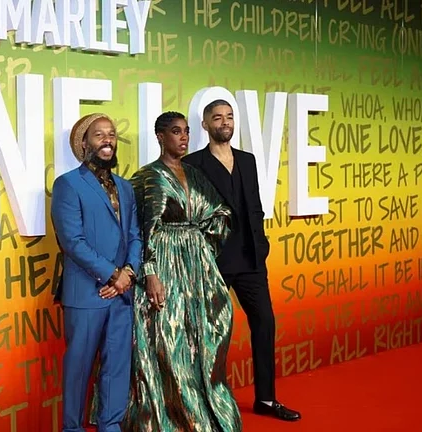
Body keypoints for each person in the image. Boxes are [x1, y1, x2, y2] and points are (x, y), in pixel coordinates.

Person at [122, 111, 242, 432]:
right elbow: (139, 229)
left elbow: (221, 213)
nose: (184, 137)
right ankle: (171, 415)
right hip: (162, 267)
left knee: (209, 331)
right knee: (168, 339)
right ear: (160, 136)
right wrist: (149, 271)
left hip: (197, 269)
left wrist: (197, 243)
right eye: (176, 132)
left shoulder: (196, 174)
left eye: (186, 131)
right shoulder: (148, 177)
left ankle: (206, 408)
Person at [183, 100, 301, 422]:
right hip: (214, 263)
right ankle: (205, 403)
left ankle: (266, 399)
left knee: (265, 323)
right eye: (217, 117)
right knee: (209, 334)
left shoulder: (247, 161)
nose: (225, 122)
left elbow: (255, 207)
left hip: (250, 260)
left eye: (229, 116)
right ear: (205, 125)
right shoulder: (192, 164)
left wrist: (261, 246)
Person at [50, 113, 142, 432]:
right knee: (79, 368)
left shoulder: (126, 187)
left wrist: (127, 273)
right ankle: (72, 427)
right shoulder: (68, 184)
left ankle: (110, 424)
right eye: (99, 135)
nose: (107, 139)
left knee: (117, 365)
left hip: (122, 292)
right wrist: (111, 274)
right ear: (84, 144)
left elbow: (135, 235)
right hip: (86, 292)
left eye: (112, 134)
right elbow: (72, 241)